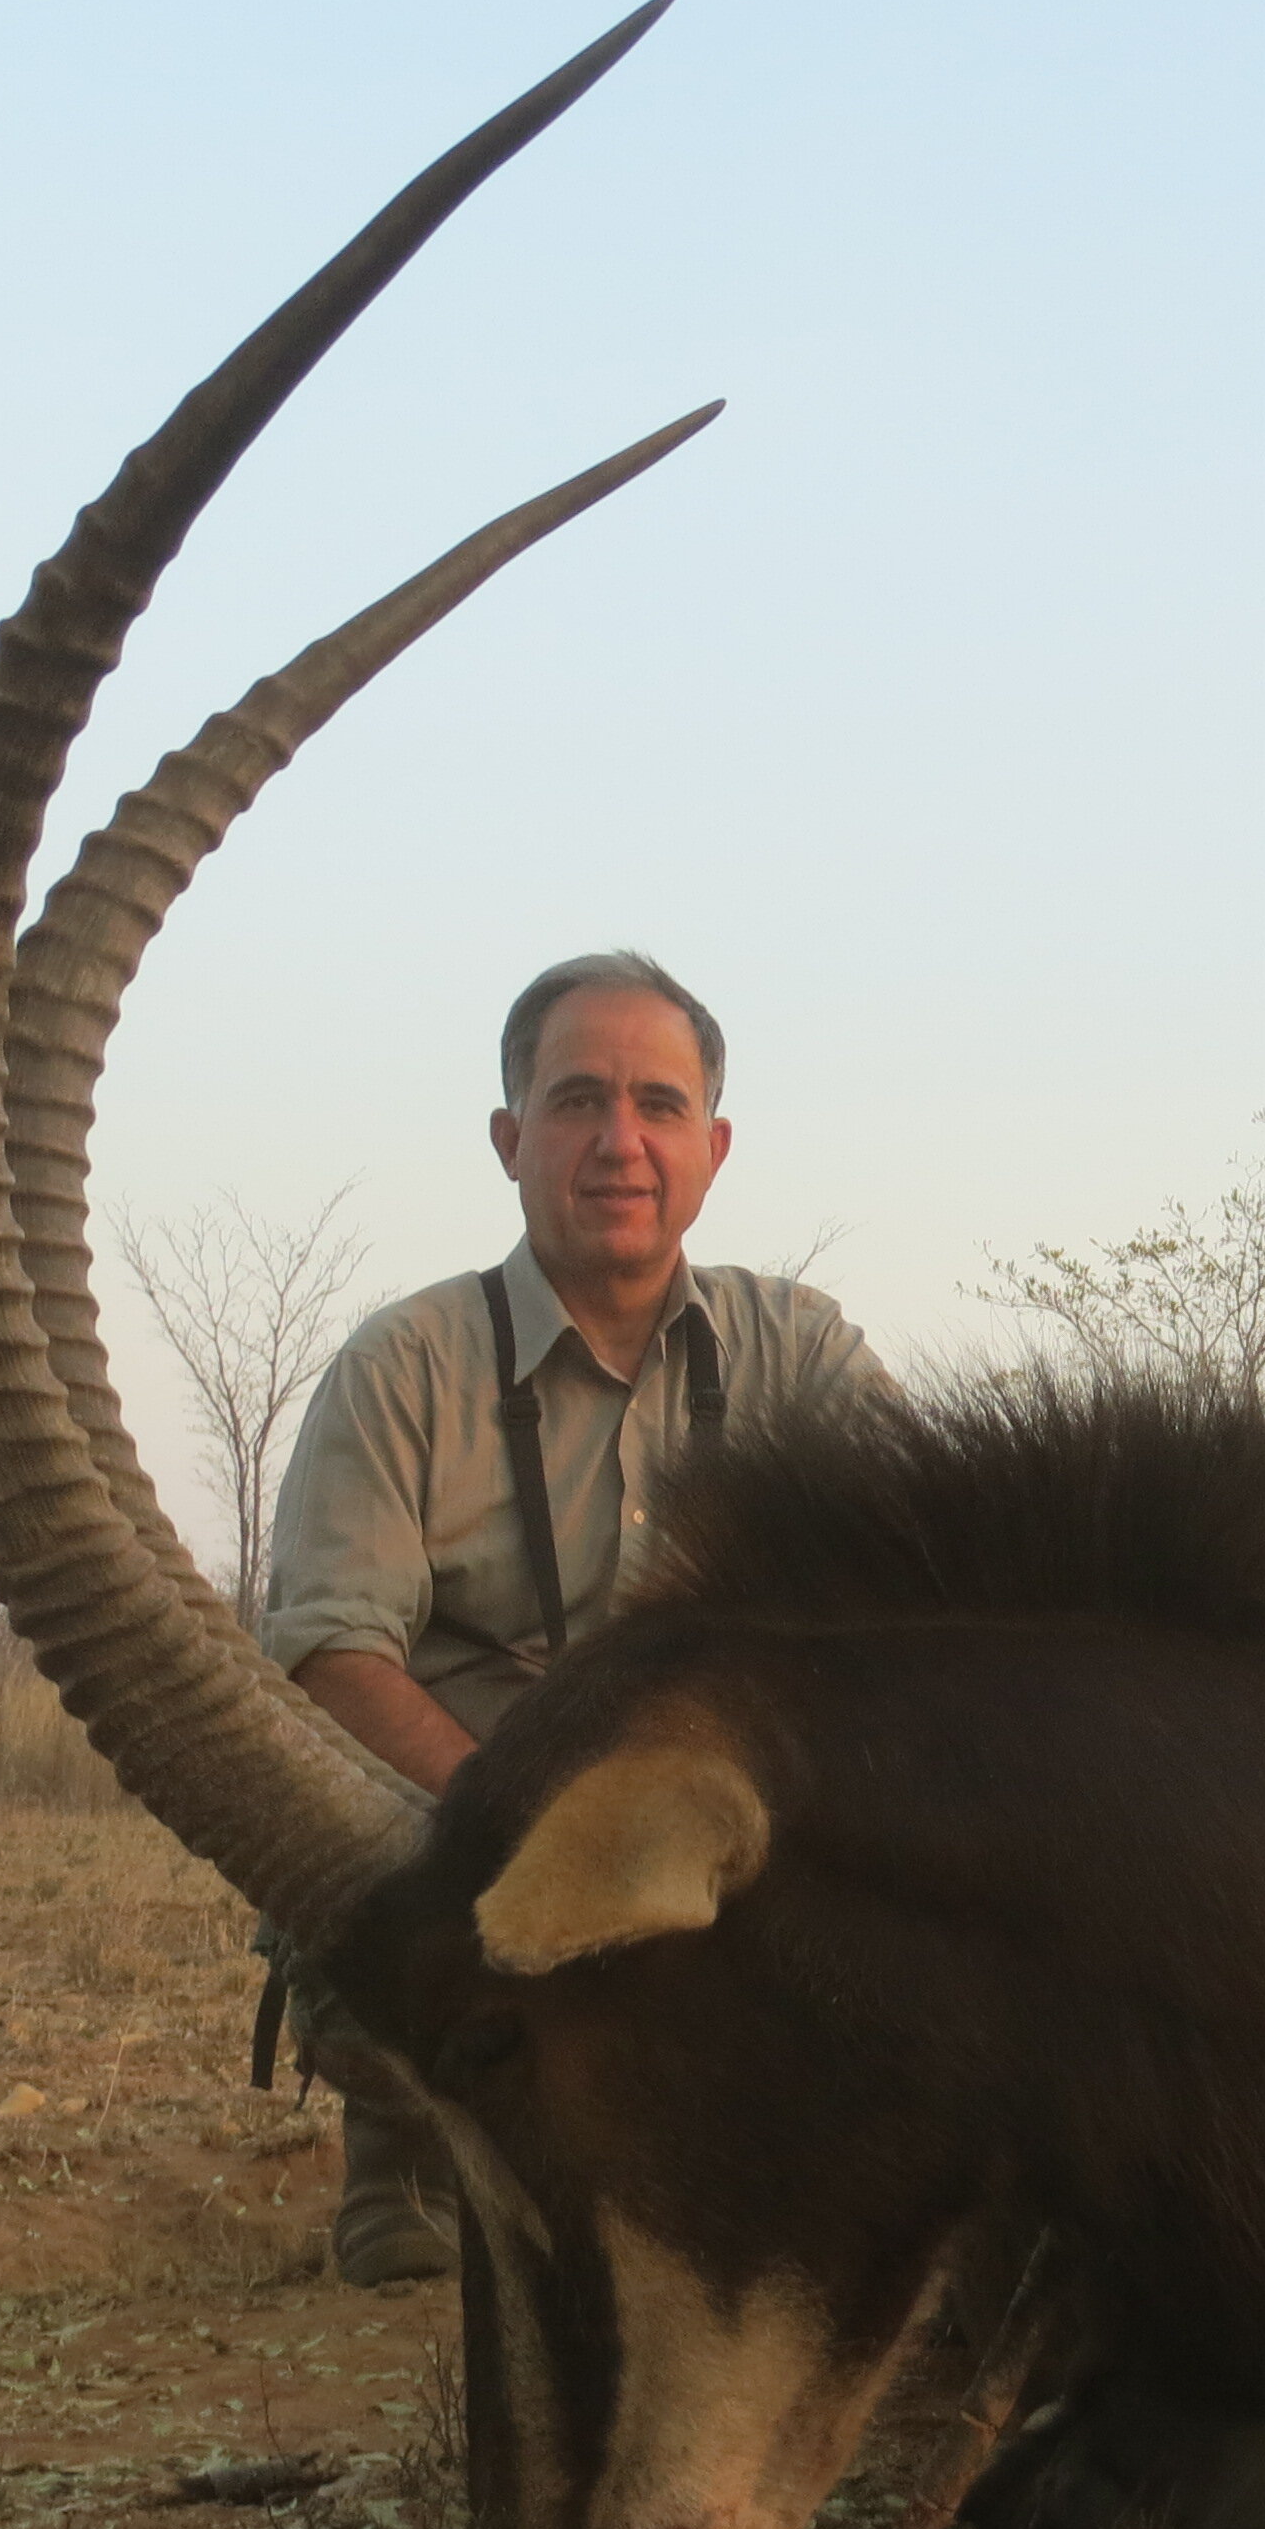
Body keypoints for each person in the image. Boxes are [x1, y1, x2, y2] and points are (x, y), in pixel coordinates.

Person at [256, 950, 890, 2281]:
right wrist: (516, 1813)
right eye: (577, 1102)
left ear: (713, 1148)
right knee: (341, 1823)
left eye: (658, 1107)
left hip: (705, 1813)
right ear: (509, 1138)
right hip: (473, 1806)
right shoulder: (402, 1366)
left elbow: (922, 1615)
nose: (620, 1144)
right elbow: (328, 1652)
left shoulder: (807, 1354)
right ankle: (406, 2156)